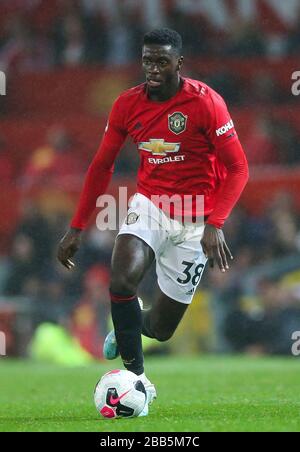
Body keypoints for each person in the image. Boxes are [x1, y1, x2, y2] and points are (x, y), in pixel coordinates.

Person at [57, 28, 249, 416]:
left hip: (197, 218)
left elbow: (238, 168)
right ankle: (138, 380)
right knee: (122, 278)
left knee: (161, 328)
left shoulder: (206, 103)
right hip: (151, 205)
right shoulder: (127, 105)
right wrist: (77, 227)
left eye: (162, 61)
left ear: (179, 63)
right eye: (148, 60)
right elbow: (101, 166)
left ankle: (128, 328)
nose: (153, 69)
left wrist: (215, 223)